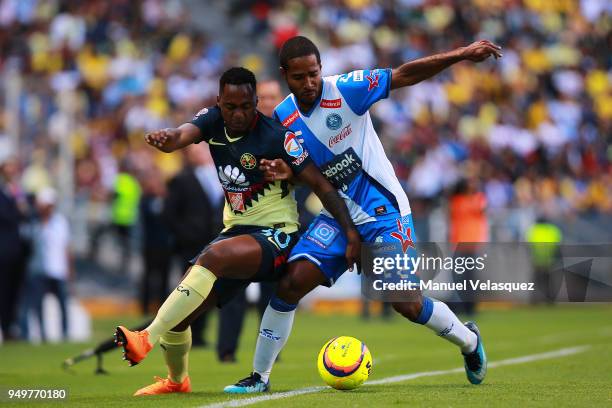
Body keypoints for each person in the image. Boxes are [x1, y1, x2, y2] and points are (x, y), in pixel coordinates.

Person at [225, 36, 501, 393]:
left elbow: (404, 74)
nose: (308, 84)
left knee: (404, 301)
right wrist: (285, 172)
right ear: (284, 76)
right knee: (292, 283)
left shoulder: (348, 89)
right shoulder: (283, 119)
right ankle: (259, 378)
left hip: (384, 213)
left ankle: (468, 341)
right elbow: (304, 169)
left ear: (321, 68)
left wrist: (461, 54)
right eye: (298, 78)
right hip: (339, 218)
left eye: (313, 74)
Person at [114, 67, 361, 396]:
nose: (239, 114)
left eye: (246, 106)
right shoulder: (212, 120)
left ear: (256, 102)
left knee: (212, 257)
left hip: (278, 234)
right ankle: (177, 381)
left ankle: (145, 336)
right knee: (181, 316)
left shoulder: (278, 136)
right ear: (219, 102)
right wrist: (167, 140)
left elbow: (321, 184)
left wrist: (351, 231)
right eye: (231, 107)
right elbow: (180, 136)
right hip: (237, 232)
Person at [215, 79, 286, 363]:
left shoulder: (288, 133)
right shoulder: (240, 130)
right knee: (232, 288)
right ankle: (227, 349)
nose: (269, 102)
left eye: (273, 97)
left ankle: (271, 349)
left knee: (274, 293)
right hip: (243, 222)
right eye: (264, 97)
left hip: (278, 226)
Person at [164, 143, 225, 347]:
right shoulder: (180, 179)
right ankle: (182, 331)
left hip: (212, 243)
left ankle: (199, 334)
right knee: (188, 291)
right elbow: (170, 214)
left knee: (207, 291)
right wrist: (185, 235)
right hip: (190, 246)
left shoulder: (217, 175)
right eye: (195, 151)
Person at [27, 187, 73, 341]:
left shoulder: (60, 222)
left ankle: (65, 333)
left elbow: (66, 247)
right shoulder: (34, 223)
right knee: (38, 305)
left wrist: (69, 269)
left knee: (63, 304)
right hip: (38, 270)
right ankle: (42, 335)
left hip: (58, 269)